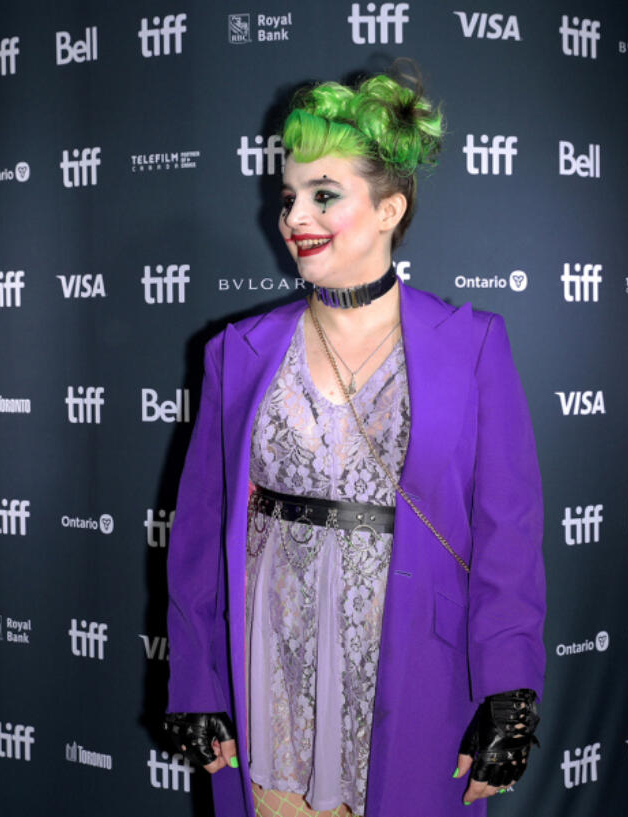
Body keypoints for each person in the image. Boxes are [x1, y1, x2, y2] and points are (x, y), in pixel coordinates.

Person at [163, 67, 545, 817]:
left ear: (388, 209)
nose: (295, 216)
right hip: (269, 668)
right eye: (288, 197)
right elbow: (201, 538)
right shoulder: (235, 352)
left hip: (414, 668)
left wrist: (510, 689)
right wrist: (197, 680)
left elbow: (508, 533)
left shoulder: (471, 347)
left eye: (324, 194)